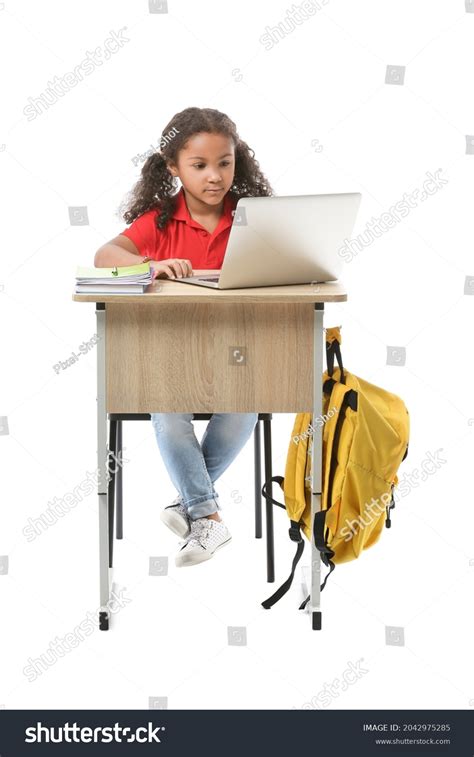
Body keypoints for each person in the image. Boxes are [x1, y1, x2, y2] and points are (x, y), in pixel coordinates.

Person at [94, 106, 273, 567]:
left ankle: (189, 505)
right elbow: (104, 256)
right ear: (173, 167)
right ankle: (208, 514)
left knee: (246, 405)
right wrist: (150, 266)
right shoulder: (159, 220)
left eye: (225, 163)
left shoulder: (254, 218)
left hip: (236, 353)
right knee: (168, 411)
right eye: (199, 166)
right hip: (170, 354)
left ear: (238, 161)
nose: (215, 177)